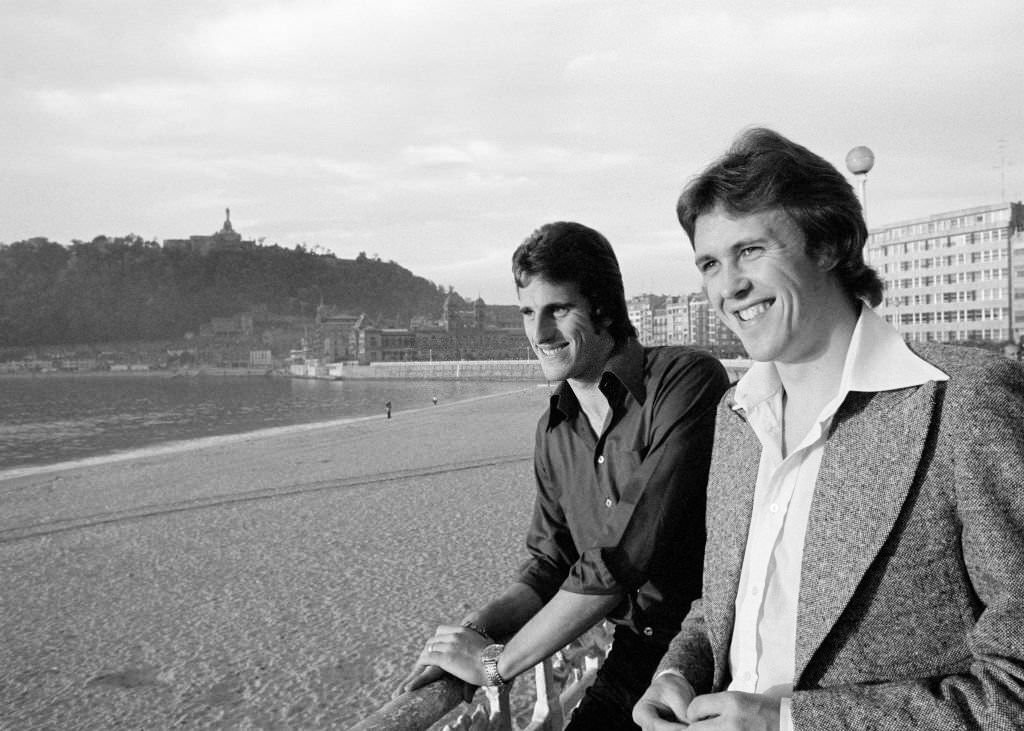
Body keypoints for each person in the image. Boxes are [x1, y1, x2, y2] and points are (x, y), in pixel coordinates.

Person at [632, 128, 1024, 730]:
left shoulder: (962, 401)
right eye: (710, 262)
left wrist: (788, 723)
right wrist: (675, 676)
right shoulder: (737, 414)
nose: (728, 285)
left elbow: (1015, 687)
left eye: (752, 250)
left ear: (829, 245)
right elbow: (729, 603)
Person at [397, 221, 730, 729]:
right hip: (633, 656)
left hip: (710, 656)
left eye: (558, 309)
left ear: (604, 307)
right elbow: (549, 563)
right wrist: (474, 629)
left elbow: (623, 554)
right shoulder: (553, 431)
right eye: (528, 312)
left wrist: (495, 665)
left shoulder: (686, 381)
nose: (538, 333)